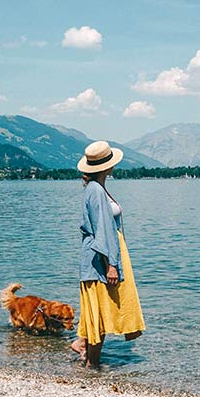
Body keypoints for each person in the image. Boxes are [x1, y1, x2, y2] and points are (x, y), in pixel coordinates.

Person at [70, 140, 145, 367]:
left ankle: (85, 349)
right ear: (107, 167)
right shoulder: (95, 190)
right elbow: (102, 228)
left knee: (99, 312)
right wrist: (111, 264)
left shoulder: (97, 188)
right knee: (99, 314)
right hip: (100, 260)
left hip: (101, 256)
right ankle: (91, 365)